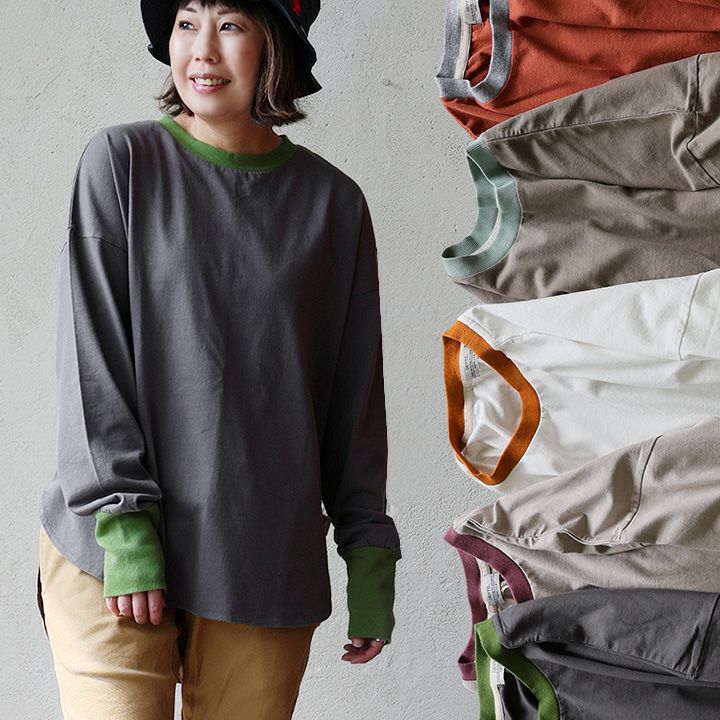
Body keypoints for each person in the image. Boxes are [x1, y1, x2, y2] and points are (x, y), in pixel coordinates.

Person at [35, 1, 402, 718]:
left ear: (276, 46)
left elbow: (353, 400)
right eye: (186, 22)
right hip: (110, 549)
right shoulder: (121, 164)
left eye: (230, 25)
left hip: (261, 558)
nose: (201, 49)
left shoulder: (334, 205)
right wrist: (126, 530)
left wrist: (368, 558)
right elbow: (91, 365)